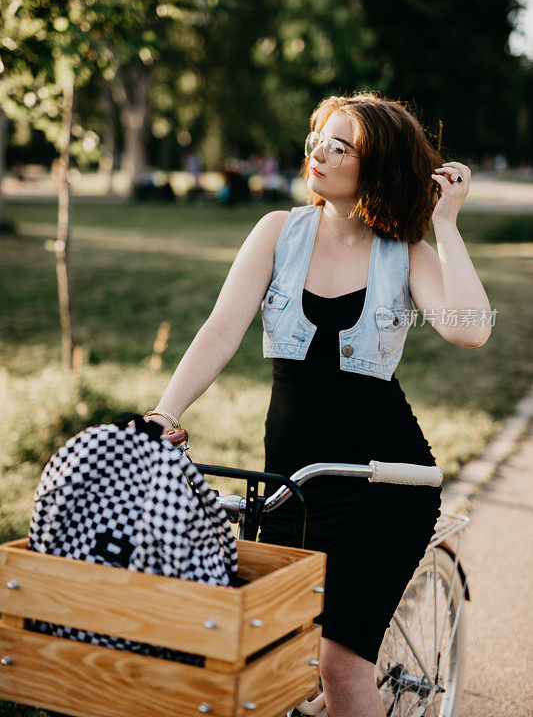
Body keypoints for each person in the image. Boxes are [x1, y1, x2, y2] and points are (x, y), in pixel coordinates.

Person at [140, 92, 492, 717]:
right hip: (292, 483)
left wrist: (446, 223)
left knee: (336, 662)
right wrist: (166, 414)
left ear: (376, 165)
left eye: (340, 145)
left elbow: (469, 327)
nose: (317, 154)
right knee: (273, 653)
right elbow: (222, 329)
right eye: (317, 139)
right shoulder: (278, 231)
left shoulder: (403, 249)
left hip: (381, 480)